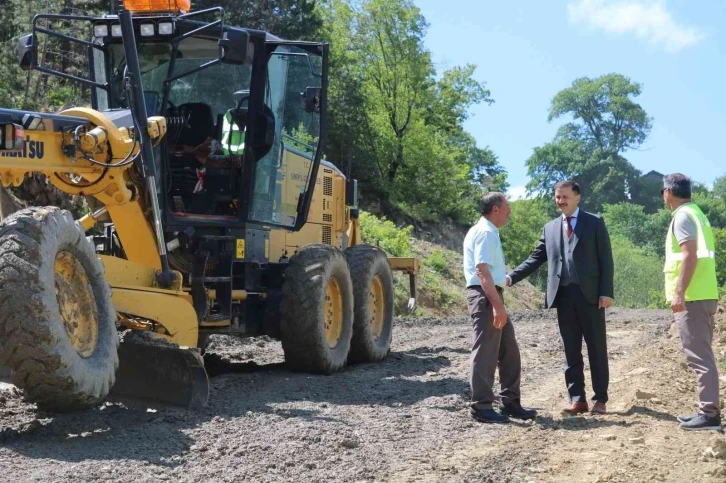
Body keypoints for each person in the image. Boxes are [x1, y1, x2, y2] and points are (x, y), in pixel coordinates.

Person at [506, 180, 614, 415]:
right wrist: (511, 277)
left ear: (577, 197)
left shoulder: (594, 222)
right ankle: (578, 399)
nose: (560, 201)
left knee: (596, 348)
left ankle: (600, 399)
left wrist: (606, 291)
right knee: (570, 350)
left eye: (564, 197)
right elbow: (535, 259)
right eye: (557, 197)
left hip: (591, 296)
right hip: (563, 296)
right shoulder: (550, 228)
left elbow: (606, 259)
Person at [463, 192, 537, 423]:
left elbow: (490, 273)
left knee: (508, 351)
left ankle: (510, 402)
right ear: (496, 209)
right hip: (485, 297)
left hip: (490, 295)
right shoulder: (485, 233)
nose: (509, 212)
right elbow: (482, 272)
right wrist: (497, 306)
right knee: (486, 352)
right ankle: (481, 406)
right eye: (507, 207)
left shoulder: (487, 231)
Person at [661, 173, 721, 431]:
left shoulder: (683, 217)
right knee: (702, 355)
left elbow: (689, 254)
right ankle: (706, 410)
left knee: (700, 357)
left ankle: (709, 414)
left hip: (693, 297)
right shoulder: (698, 214)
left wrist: (679, 292)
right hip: (704, 293)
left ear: (667, 193)